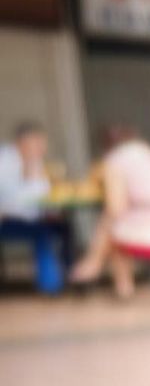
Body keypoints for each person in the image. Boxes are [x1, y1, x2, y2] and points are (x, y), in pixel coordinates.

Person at [69, 128, 150, 299]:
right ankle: (92, 266)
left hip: (146, 232)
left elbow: (115, 206)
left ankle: (115, 282)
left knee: (110, 232)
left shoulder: (116, 161)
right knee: (111, 229)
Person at [0, 121, 70, 292]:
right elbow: (12, 199)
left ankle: (71, 276)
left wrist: (52, 210)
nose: (42, 147)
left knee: (64, 227)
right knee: (42, 232)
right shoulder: (5, 161)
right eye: (37, 142)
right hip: (7, 220)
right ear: (22, 142)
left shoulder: (34, 162)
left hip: (29, 217)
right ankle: (51, 287)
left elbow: (41, 194)